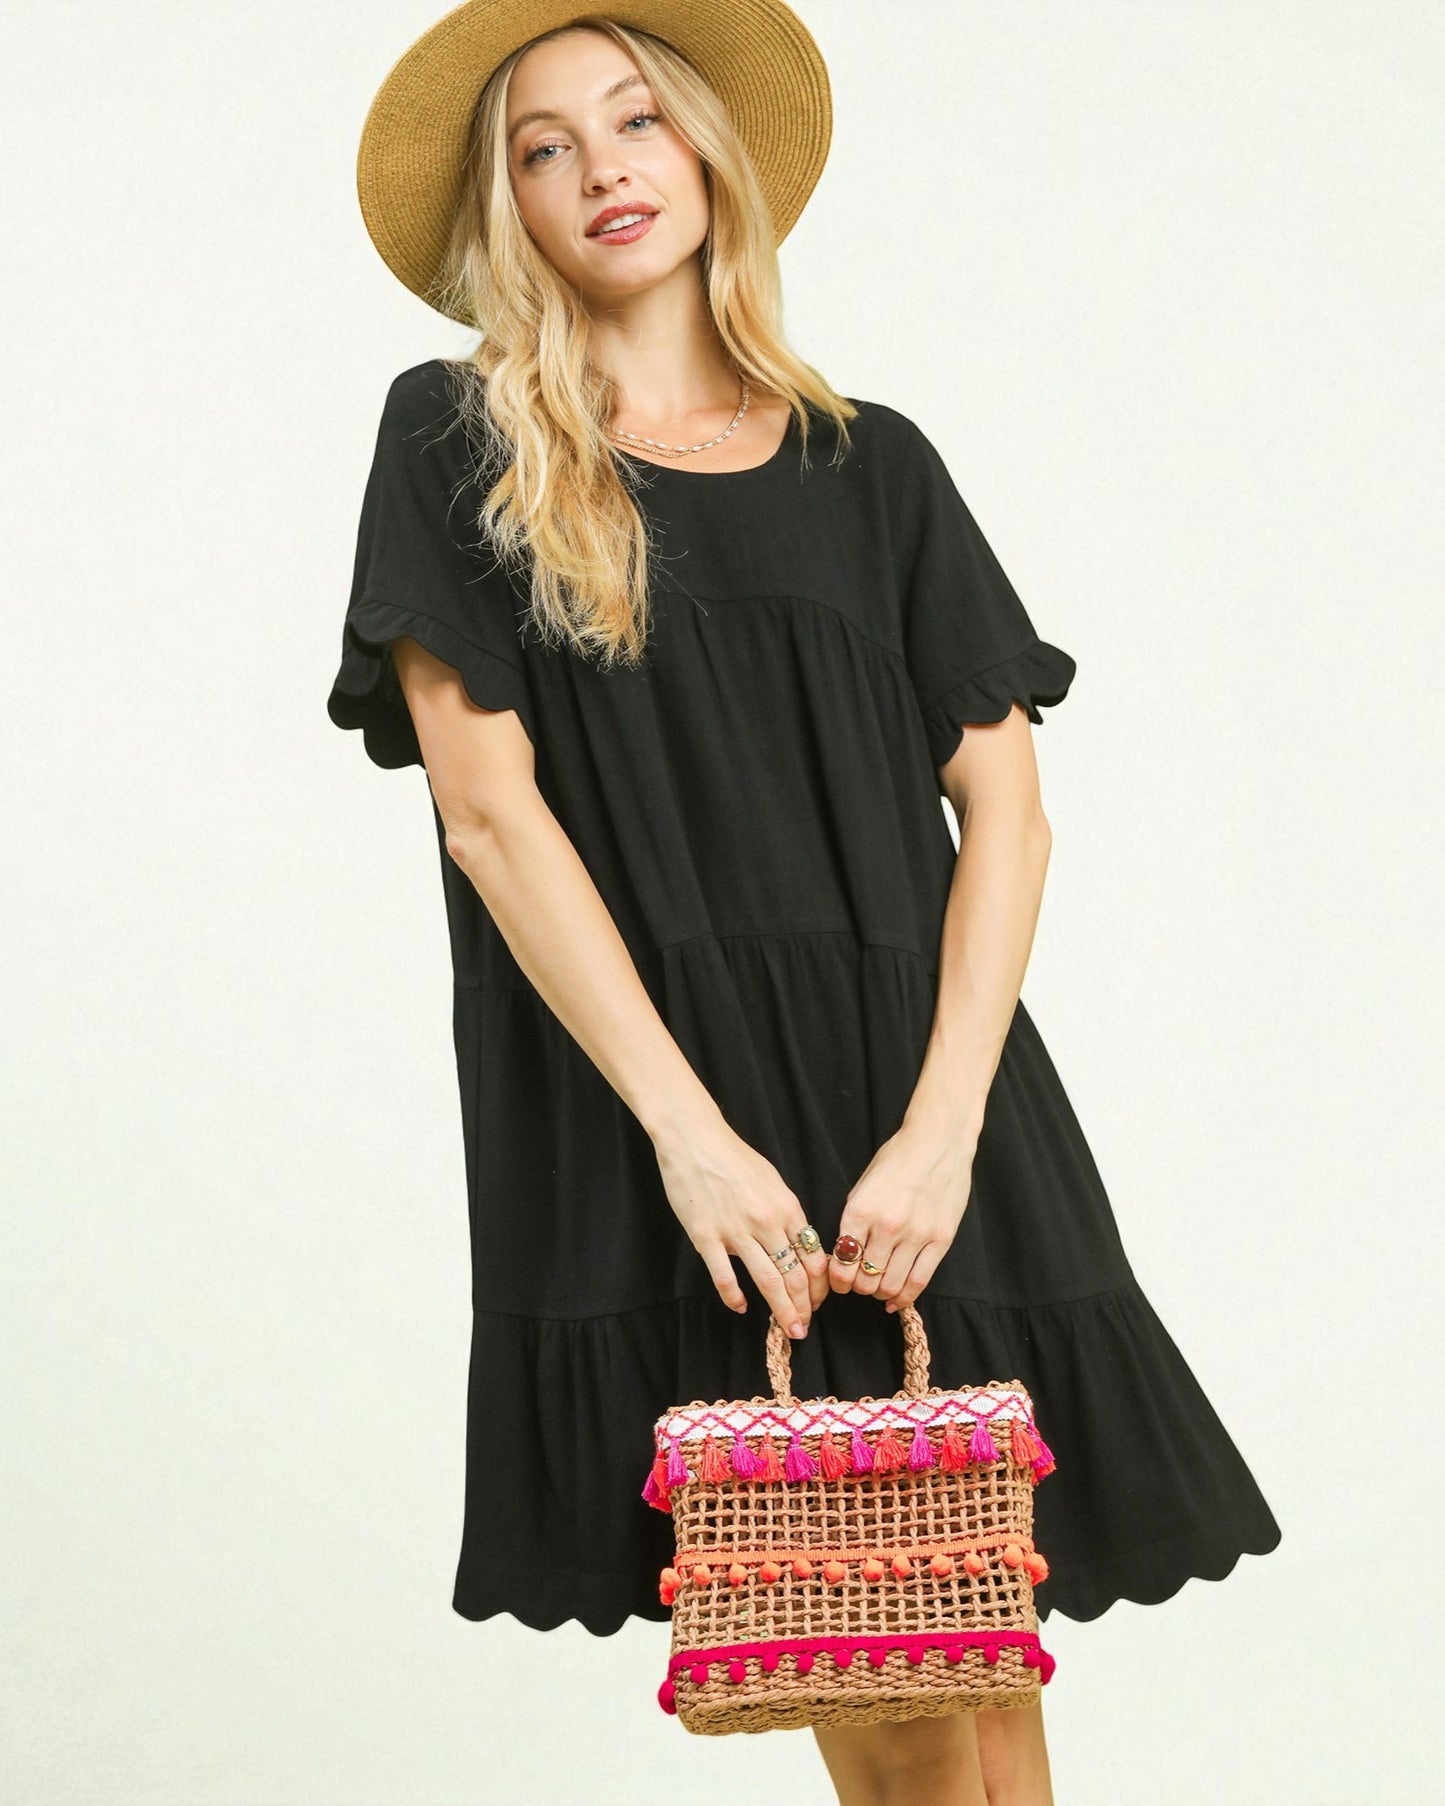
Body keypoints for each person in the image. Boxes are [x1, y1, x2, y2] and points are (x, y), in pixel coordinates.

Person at [327, 4, 1282, 1801]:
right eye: (543, 145)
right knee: (886, 1664)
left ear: (704, 152)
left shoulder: (875, 465)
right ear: (506, 206)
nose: (601, 167)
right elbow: (488, 815)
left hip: (923, 1101)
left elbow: (1005, 807)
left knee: (970, 1659)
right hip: (675, 1112)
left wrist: (941, 1133)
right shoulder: (458, 439)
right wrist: (690, 1139)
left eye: (634, 121)